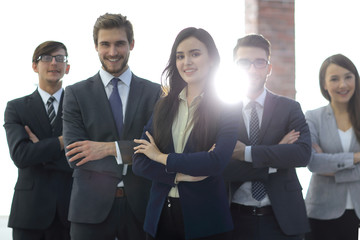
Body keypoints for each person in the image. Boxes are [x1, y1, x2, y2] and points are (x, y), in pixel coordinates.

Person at [132, 27, 240, 240]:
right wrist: (179, 175)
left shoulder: (228, 107)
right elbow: (139, 161)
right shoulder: (163, 106)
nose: (186, 62)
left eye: (195, 54)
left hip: (206, 221)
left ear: (211, 59)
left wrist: (161, 157)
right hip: (160, 219)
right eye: (180, 56)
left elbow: (215, 162)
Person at [62, 13, 161, 240]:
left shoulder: (153, 92)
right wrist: (131, 151)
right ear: (96, 46)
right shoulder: (75, 94)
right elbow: (75, 155)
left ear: (131, 45)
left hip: (142, 207)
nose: (113, 52)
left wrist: (108, 148)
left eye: (120, 44)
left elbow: (158, 149)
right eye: (105, 44)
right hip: (89, 210)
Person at [223, 33, 312, 240]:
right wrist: (278, 152)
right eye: (244, 63)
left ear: (268, 68)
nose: (252, 69)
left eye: (259, 62)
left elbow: (302, 154)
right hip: (234, 220)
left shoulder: (290, 108)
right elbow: (222, 167)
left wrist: (246, 153)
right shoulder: (221, 113)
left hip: (283, 221)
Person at [3, 41, 72, 240]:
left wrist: (40, 150)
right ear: (35, 66)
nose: (54, 63)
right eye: (47, 58)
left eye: (60, 59)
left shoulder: (79, 107)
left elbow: (81, 157)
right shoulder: (16, 108)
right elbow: (21, 156)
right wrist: (61, 142)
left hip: (70, 212)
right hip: (29, 214)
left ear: (67, 68)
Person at [304, 54, 360, 240]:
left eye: (348, 77)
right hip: (321, 212)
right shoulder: (313, 117)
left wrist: (330, 165)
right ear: (324, 85)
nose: (342, 85)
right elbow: (313, 162)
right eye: (334, 79)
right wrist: (356, 158)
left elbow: (322, 164)